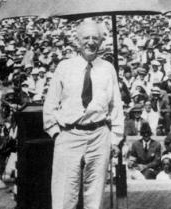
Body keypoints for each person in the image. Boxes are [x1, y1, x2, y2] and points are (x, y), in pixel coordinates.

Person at [43, 21, 124, 209]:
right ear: (77, 41)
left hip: (99, 135)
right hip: (69, 135)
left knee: (94, 195)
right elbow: (50, 104)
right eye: (86, 38)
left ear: (101, 41)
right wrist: (56, 133)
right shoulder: (65, 67)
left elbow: (116, 106)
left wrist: (115, 140)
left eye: (95, 38)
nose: (90, 42)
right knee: (64, 193)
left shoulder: (107, 68)